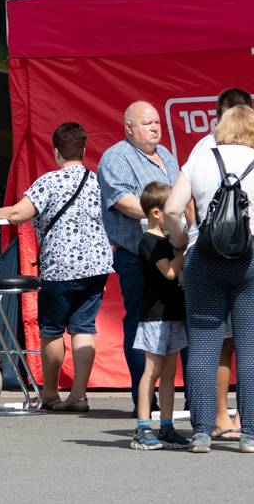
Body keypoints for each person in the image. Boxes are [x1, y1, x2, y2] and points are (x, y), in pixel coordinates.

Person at [163, 105, 254, 453]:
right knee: (251, 350)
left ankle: (201, 432)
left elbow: (172, 210)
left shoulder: (199, 160)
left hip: (203, 259)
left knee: (203, 347)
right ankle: (250, 433)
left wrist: (182, 240)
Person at [0, 122, 113, 412]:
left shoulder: (49, 182)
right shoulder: (98, 182)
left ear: (56, 151)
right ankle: (79, 395)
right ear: (84, 150)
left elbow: (18, 214)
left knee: (52, 329)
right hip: (97, 265)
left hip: (60, 266)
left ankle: (51, 394)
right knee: (84, 328)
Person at [97, 101, 180, 410]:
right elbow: (126, 202)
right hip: (138, 256)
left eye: (157, 122)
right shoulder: (116, 157)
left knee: (179, 323)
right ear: (129, 128)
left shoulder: (166, 155)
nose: (155, 127)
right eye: (148, 123)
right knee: (140, 323)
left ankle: (190, 398)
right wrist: (166, 214)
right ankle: (144, 401)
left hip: (174, 251)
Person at [128, 182, 190, 451]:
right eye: (172, 212)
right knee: (151, 371)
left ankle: (167, 425)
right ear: (156, 212)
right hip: (155, 316)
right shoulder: (149, 242)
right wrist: (183, 249)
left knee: (170, 373)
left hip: (174, 313)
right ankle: (143, 427)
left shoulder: (166, 241)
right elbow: (169, 272)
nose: (177, 218)